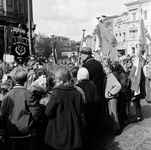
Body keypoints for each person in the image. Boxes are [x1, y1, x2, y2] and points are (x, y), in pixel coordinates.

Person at [0, 67, 43, 150]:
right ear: (26, 80)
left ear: (13, 79)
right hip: (28, 131)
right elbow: (36, 113)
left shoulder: (7, 96)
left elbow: (3, 114)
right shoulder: (28, 94)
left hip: (13, 131)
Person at [44, 65, 85, 150]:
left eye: (56, 78)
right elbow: (80, 109)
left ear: (60, 79)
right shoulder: (77, 92)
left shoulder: (57, 93)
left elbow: (48, 112)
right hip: (73, 131)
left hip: (58, 131)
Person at [80, 47, 106, 137]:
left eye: (82, 54)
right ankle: (100, 132)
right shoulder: (98, 63)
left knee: (91, 114)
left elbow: (84, 80)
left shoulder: (86, 66)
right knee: (98, 113)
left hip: (89, 92)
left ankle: (92, 134)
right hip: (98, 91)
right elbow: (102, 77)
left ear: (87, 55)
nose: (81, 56)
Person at [76, 67, 98, 150]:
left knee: (83, 130)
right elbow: (96, 99)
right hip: (91, 110)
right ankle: (91, 145)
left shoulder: (77, 86)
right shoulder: (92, 85)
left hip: (82, 111)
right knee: (90, 129)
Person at [103, 63, 121, 135]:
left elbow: (118, 86)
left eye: (107, 69)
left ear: (110, 70)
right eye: (104, 69)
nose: (105, 70)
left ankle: (117, 128)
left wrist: (111, 93)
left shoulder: (111, 77)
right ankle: (112, 127)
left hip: (112, 98)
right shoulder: (107, 77)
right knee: (111, 113)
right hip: (109, 98)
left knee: (113, 112)